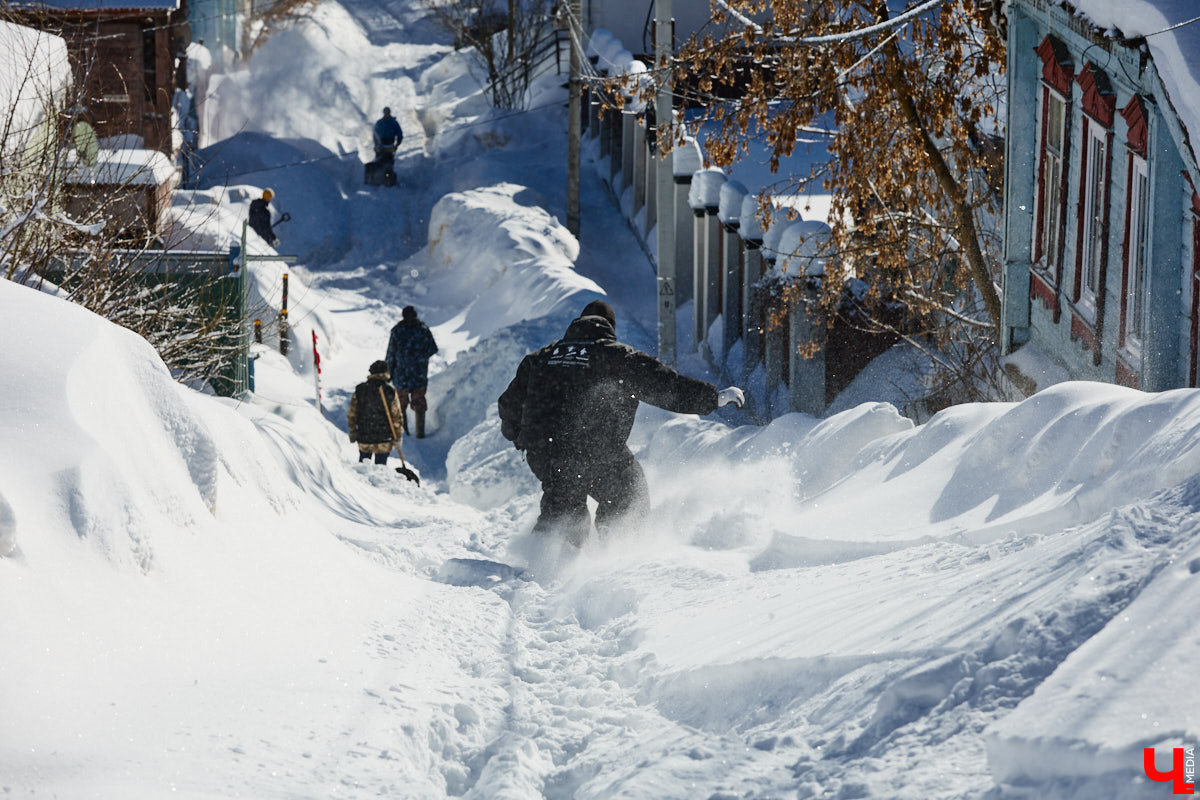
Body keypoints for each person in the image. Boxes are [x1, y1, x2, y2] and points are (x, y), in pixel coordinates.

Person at [497, 299, 745, 546]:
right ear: (609, 329)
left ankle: (541, 562)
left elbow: (508, 405)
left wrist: (523, 438)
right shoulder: (618, 357)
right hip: (597, 449)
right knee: (628, 495)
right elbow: (667, 387)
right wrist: (713, 398)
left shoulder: (540, 357)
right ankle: (611, 551)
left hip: (546, 451)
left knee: (563, 504)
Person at [385, 305, 439, 438]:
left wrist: (388, 373)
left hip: (401, 375)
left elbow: (391, 354)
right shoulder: (423, 330)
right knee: (419, 401)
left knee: (401, 404)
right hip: (419, 374)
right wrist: (420, 358)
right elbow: (433, 348)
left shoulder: (397, 331)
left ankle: (404, 433)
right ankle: (420, 433)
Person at [347, 360, 405, 464]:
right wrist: (398, 435)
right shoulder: (389, 391)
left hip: (364, 436)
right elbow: (396, 416)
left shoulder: (360, 390)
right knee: (381, 469)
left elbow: (352, 412)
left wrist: (352, 430)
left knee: (364, 468)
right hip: (384, 438)